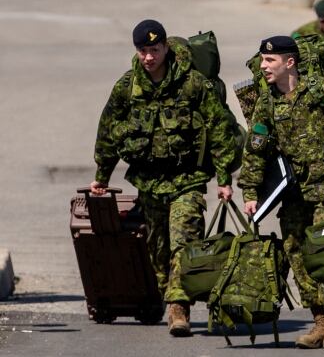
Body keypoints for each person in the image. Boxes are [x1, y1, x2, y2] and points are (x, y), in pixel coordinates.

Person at [90, 20, 238, 337]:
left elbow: (220, 131)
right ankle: (168, 294)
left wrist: (224, 178)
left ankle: (179, 308)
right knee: (158, 251)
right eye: (142, 51)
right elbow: (108, 131)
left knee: (184, 242)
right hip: (149, 182)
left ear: (165, 48)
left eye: (154, 50)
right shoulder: (127, 87)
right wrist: (102, 175)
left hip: (188, 179)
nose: (148, 57)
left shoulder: (193, 85)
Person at [238, 36, 324, 350]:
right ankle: (319, 321)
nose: (264, 67)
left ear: (290, 63)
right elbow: (256, 148)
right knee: (296, 251)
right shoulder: (266, 101)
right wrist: (250, 192)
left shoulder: (322, 89)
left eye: (270, 61)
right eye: (262, 61)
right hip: (294, 192)